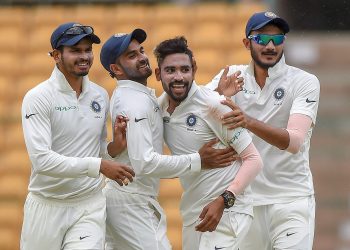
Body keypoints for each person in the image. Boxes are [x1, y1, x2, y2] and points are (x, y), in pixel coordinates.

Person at [99, 29, 237, 250]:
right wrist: (198, 160)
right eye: (131, 56)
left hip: (128, 199)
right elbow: (145, 163)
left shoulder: (138, 95)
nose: (142, 57)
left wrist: (214, 91)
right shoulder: (135, 102)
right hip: (131, 202)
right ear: (115, 69)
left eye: (141, 51)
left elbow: (178, 96)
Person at [207, 11, 320, 249]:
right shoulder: (230, 77)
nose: (270, 46)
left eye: (277, 40)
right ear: (247, 43)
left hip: (291, 200)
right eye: (261, 40)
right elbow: (196, 116)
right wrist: (218, 97)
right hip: (245, 203)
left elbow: (294, 142)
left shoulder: (304, 81)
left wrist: (247, 121)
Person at [20, 22, 135, 250]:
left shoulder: (100, 96)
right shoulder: (38, 98)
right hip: (46, 205)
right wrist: (100, 165)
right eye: (75, 50)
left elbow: (97, 149)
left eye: (87, 50)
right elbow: (42, 161)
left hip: (88, 204)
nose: (84, 56)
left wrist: (115, 147)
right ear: (56, 55)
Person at [153, 36, 263, 250]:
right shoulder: (158, 109)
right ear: (158, 74)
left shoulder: (213, 105)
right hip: (194, 214)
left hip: (229, 210)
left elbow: (254, 160)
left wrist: (224, 200)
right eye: (170, 70)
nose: (179, 77)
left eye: (185, 69)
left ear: (194, 69)